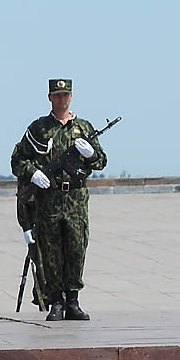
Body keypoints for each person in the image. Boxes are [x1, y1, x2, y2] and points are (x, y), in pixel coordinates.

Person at [11, 78, 107, 321]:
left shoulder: (83, 128)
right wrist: (33, 173)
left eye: (65, 95)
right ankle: (56, 301)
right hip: (48, 199)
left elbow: (101, 162)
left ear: (71, 97)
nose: (61, 99)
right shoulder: (39, 128)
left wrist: (90, 153)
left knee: (76, 248)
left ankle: (73, 301)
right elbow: (18, 160)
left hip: (75, 198)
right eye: (57, 95)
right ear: (50, 98)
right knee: (51, 249)